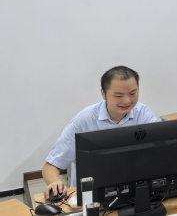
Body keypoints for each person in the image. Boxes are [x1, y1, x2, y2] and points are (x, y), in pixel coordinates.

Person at [42, 66, 157, 199]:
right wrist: (55, 182)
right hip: (91, 197)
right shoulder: (84, 120)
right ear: (103, 93)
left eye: (132, 93)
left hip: (135, 192)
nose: (127, 101)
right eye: (118, 96)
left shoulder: (143, 114)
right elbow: (50, 166)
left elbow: (159, 152)